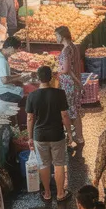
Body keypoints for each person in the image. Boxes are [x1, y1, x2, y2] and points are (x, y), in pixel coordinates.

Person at [26, 66, 75, 202]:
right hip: (56, 134)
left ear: (37, 78)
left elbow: (30, 118)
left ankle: (47, 193)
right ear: (52, 77)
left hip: (39, 135)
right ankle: (60, 193)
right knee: (59, 163)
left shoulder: (32, 95)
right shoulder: (59, 93)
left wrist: (30, 137)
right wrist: (70, 133)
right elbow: (64, 115)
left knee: (44, 164)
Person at [54, 25, 86, 147]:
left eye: (56, 35)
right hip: (74, 83)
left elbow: (67, 69)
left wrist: (58, 71)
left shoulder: (66, 50)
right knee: (74, 111)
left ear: (62, 36)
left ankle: (77, 137)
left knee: (71, 111)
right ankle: (79, 136)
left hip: (69, 84)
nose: (55, 38)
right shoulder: (73, 47)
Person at [0, 36, 26, 104]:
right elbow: (5, 80)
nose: (15, 52)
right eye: (15, 50)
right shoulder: (1, 61)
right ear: (10, 48)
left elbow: (4, 75)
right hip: (0, 93)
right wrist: (20, 77)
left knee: (20, 89)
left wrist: (19, 76)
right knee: (26, 99)